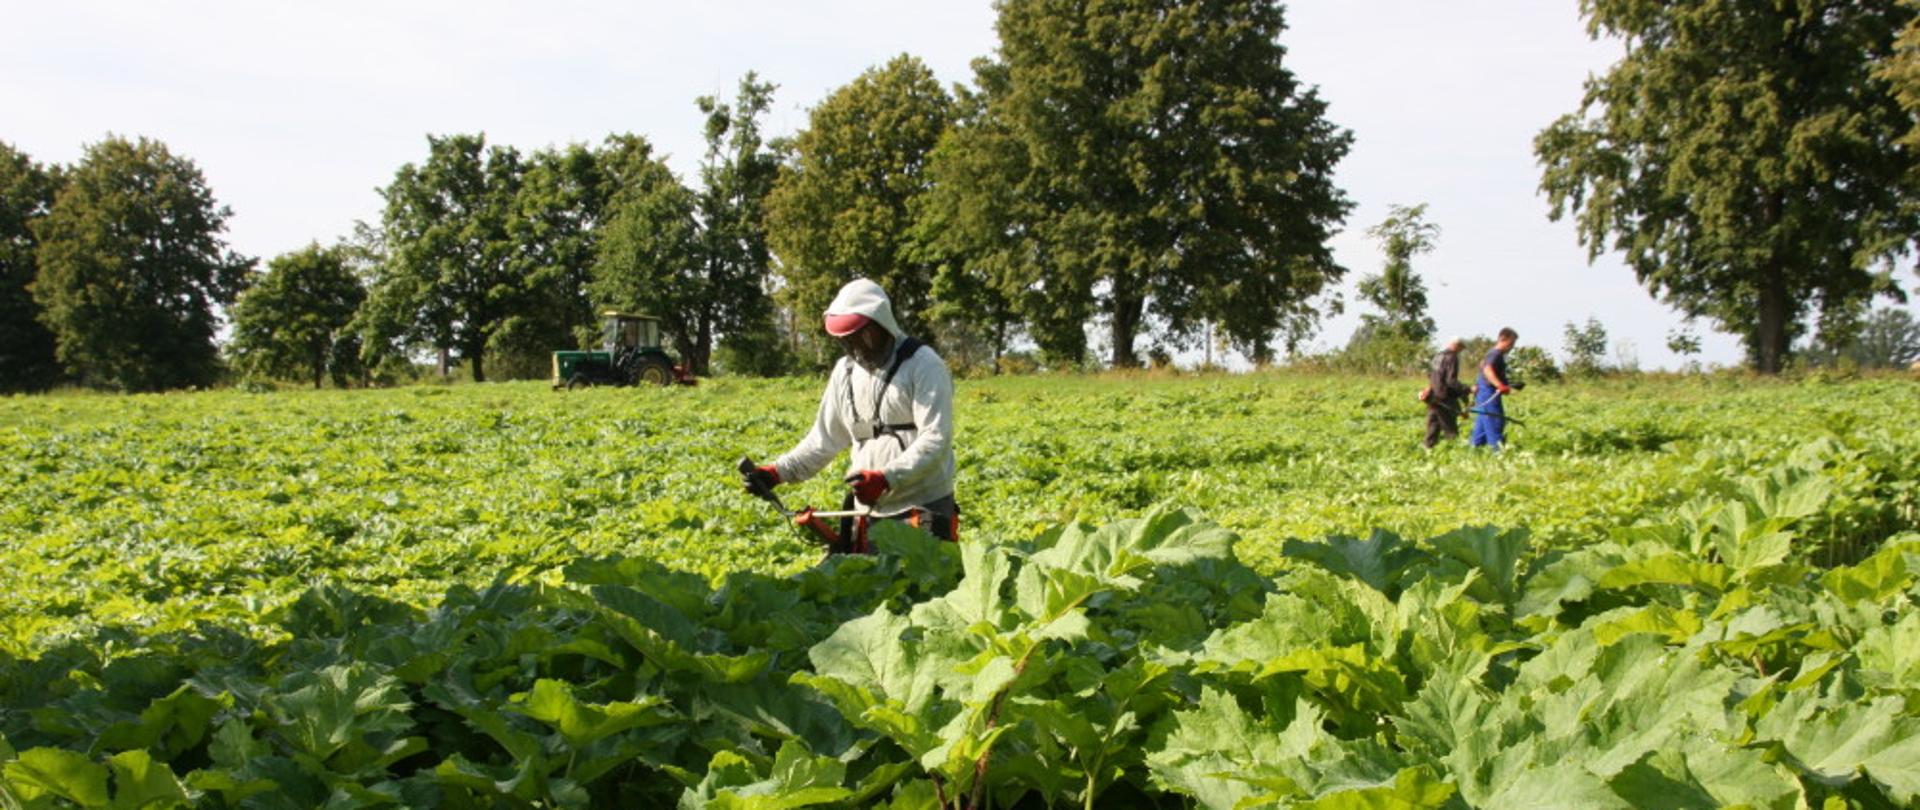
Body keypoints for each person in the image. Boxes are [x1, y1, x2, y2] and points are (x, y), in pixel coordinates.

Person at [740, 278, 958, 551]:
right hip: (867, 513)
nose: (856, 348)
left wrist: (886, 478)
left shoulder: (924, 365)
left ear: (882, 324)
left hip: (922, 508)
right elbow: (823, 441)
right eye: (847, 340)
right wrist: (777, 473)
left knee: (923, 579)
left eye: (862, 337)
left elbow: (936, 439)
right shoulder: (845, 373)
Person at [1470, 328, 1519, 448]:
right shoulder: (1495, 354)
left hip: (1484, 393)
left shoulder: (1492, 353)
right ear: (1502, 338)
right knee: (1495, 422)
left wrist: (1507, 384)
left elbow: (1483, 368)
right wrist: (1500, 385)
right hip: (1488, 394)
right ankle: (1497, 453)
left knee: (1482, 426)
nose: (1512, 347)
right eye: (1511, 343)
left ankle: (1474, 450)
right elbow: (1488, 370)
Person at [1422, 336, 1467, 448]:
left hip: (1433, 396)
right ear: (1457, 345)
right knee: (1450, 429)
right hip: (1444, 397)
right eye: (1461, 348)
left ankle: (1427, 448)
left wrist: (1430, 388)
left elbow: (1431, 375)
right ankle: (1454, 452)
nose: (1461, 351)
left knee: (1433, 426)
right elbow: (1451, 381)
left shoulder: (1438, 355)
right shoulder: (1452, 357)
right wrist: (1466, 389)